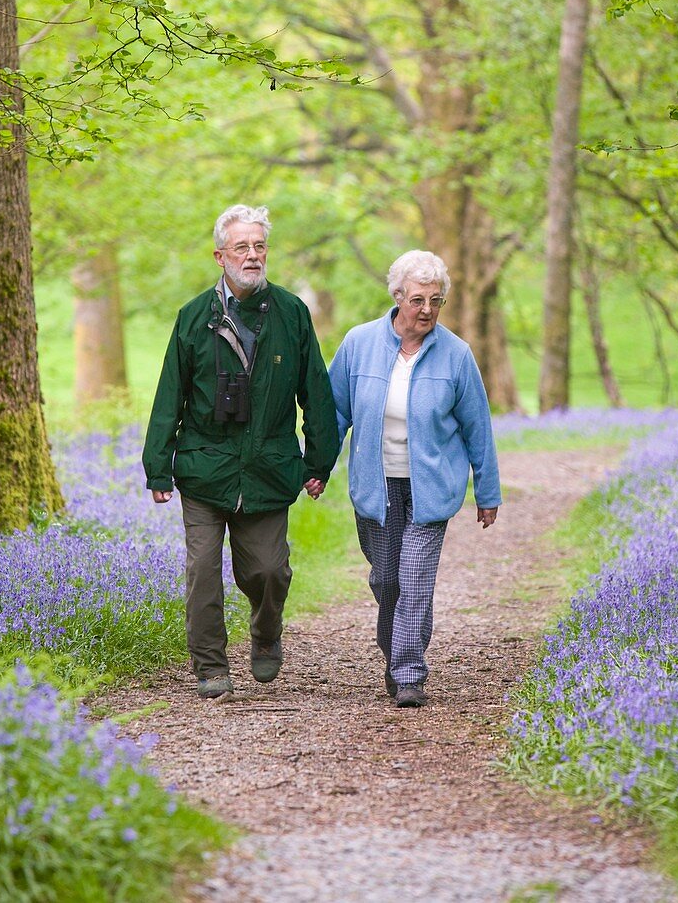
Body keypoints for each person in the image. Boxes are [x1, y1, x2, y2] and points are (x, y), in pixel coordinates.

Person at [143, 204, 339, 701]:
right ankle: (210, 664)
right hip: (205, 468)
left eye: (259, 246)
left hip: (270, 469)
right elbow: (170, 394)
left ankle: (266, 631)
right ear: (220, 256)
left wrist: (319, 461)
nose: (252, 256)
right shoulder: (193, 317)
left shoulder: (292, 312)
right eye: (241, 247)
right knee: (202, 572)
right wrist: (158, 468)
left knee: (268, 571)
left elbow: (315, 392)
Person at [328, 250, 501, 708]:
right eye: (418, 299)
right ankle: (397, 653)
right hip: (376, 484)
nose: (426, 310)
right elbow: (334, 414)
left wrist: (487, 492)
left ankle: (408, 673)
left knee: (415, 578)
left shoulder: (457, 355)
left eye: (436, 301)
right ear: (397, 296)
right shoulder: (359, 344)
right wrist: (315, 468)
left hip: (432, 489)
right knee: (386, 580)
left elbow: (477, 427)